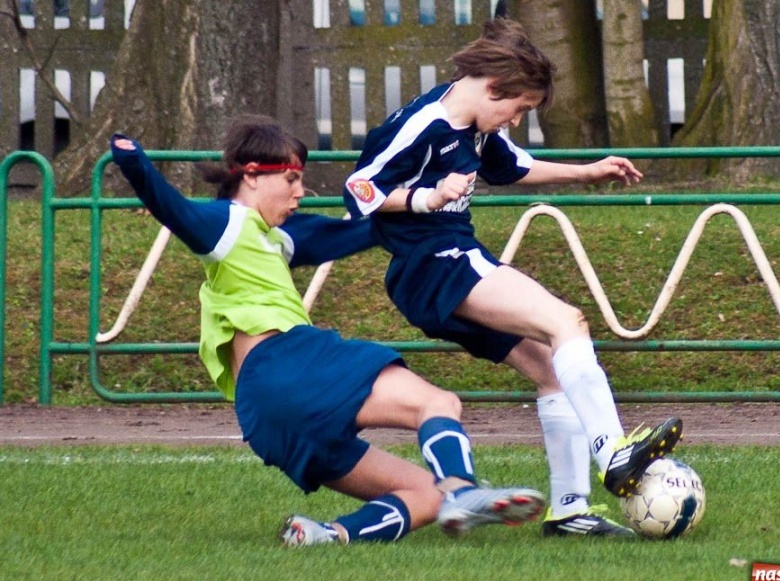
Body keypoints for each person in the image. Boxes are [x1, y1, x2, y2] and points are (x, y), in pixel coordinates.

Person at [109, 113, 545, 547]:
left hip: (266, 417)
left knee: (426, 494)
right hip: (287, 363)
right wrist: (135, 164)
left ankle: (325, 535)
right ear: (253, 176)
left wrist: (424, 199)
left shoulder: (274, 236)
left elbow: (361, 228)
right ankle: (465, 492)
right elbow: (175, 210)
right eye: (292, 179)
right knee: (437, 402)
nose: (301, 192)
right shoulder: (227, 223)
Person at [343, 18, 683, 538]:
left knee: (550, 369)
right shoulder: (424, 125)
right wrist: (425, 198)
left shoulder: (478, 125)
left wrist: (588, 172)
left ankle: (569, 511)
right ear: (492, 87)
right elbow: (359, 189)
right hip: (435, 261)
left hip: (440, 266)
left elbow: (515, 167)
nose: (517, 120)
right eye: (518, 108)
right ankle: (612, 452)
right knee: (565, 320)